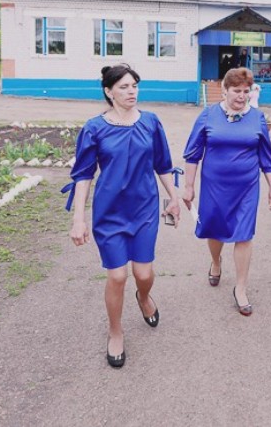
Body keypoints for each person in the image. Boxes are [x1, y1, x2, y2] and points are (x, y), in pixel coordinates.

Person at [64, 64, 181, 368]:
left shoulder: (151, 122)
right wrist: (79, 218)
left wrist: (174, 197)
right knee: (117, 276)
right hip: (110, 212)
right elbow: (83, 175)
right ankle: (115, 331)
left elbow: (163, 164)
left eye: (134, 86)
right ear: (109, 91)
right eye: (124, 87)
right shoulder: (95, 128)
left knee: (143, 274)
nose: (131, 92)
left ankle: (143, 297)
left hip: (144, 209)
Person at [182, 67, 271, 316]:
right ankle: (216, 262)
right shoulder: (208, 115)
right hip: (214, 186)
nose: (242, 96)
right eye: (237, 91)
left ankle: (241, 288)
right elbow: (193, 153)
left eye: (246, 91)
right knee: (214, 230)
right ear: (224, 90)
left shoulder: (257, 117)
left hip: (247, 187)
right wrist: (189, 187)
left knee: (244, 234)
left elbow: (266, 156)